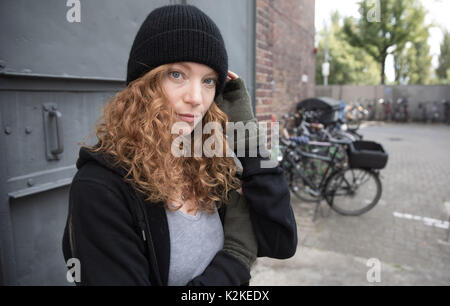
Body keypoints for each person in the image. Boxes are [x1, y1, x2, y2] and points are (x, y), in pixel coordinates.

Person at [62, 4, 297, 286]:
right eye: (177, 74)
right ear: (142, 85)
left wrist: (248, 138)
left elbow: (281, 241)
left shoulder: (208, 166)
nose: (196, 97)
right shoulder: (100, 188)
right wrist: (236, 257)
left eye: (209, 81)